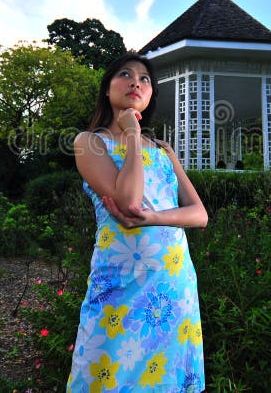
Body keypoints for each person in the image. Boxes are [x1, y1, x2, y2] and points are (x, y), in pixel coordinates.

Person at [67, 53, 208, 392]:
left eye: (145, 79)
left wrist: (155, 218)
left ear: (150, 95)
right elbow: (129, 200)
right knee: (108, 376)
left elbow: (199, 214)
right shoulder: (89, 143)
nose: (136, 82)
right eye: (125, 74)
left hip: (174, 288)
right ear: (107, 89)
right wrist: (131, 133)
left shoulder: (163, 150)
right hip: (120, 288)